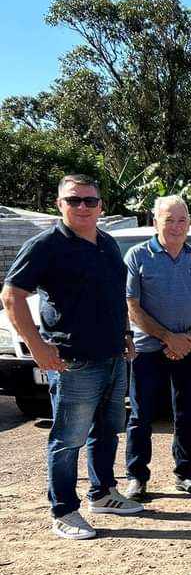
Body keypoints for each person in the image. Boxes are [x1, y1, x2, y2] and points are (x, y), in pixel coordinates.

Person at [2, 174, 139, 540]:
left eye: (89, 201)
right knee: (68, 438)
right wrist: (36, 346)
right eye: (73, 200)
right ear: (59, 204)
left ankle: (103, 492)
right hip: (73, 361)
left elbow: (114, 296)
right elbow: (12, 295)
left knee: (107, 430)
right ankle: (63, 510)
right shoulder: (46, 245)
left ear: (101, 206)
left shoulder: (108, 244)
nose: (82, 207)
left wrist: (125, 335)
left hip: (112, 356)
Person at [123, 196, 191, 499]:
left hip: (190, 349)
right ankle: (137, 476)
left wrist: (188, 339)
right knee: (142, 414)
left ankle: (185, 472)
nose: (176, 226)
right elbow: (132, 307)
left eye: (182, 220)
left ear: (188, 224)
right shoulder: (137, 257)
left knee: (188, 412)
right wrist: (168, 337)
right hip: (148, 351)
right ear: (155, 222)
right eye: (169, 219)